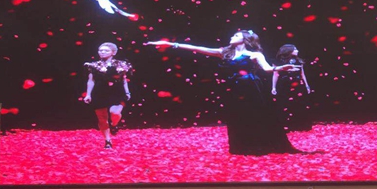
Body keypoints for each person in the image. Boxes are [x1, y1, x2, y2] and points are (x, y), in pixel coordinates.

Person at [145, 30, 319, 155]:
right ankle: (242, 146)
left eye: (236, 35)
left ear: (245, 39)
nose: (231, 37)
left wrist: (280, 68)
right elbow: (197, 48)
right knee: (237, 116)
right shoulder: (225, 53)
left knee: (256, 115)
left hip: (251, 88)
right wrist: (171, 44)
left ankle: (260, 145)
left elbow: (267, 69)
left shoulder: (254, 54)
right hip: (234, 89)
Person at [84, 42, 133, 149]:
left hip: (117, 91)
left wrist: (127, 92)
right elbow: (91, 80)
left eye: (106, 50)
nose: (102, 52)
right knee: (102, 118)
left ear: (113, 52)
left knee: (115, 112)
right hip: (99, 92)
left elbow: (124, 80)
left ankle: (114, 125)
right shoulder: (93, 65)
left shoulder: (121, 65)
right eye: (100, 50)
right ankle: (107, 140)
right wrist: (88, 94)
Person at [272, 44, 313, 131]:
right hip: (285, 84)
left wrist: (306, 85)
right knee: (285, 103)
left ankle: (299, 125)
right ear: (289, 51)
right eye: (295, 49)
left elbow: (302, 74)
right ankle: (286, 125)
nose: (297, 51)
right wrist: (273, 87)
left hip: (298, 84)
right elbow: (275, 74)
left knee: (299, 103)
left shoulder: (299, 61)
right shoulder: (279, 61)